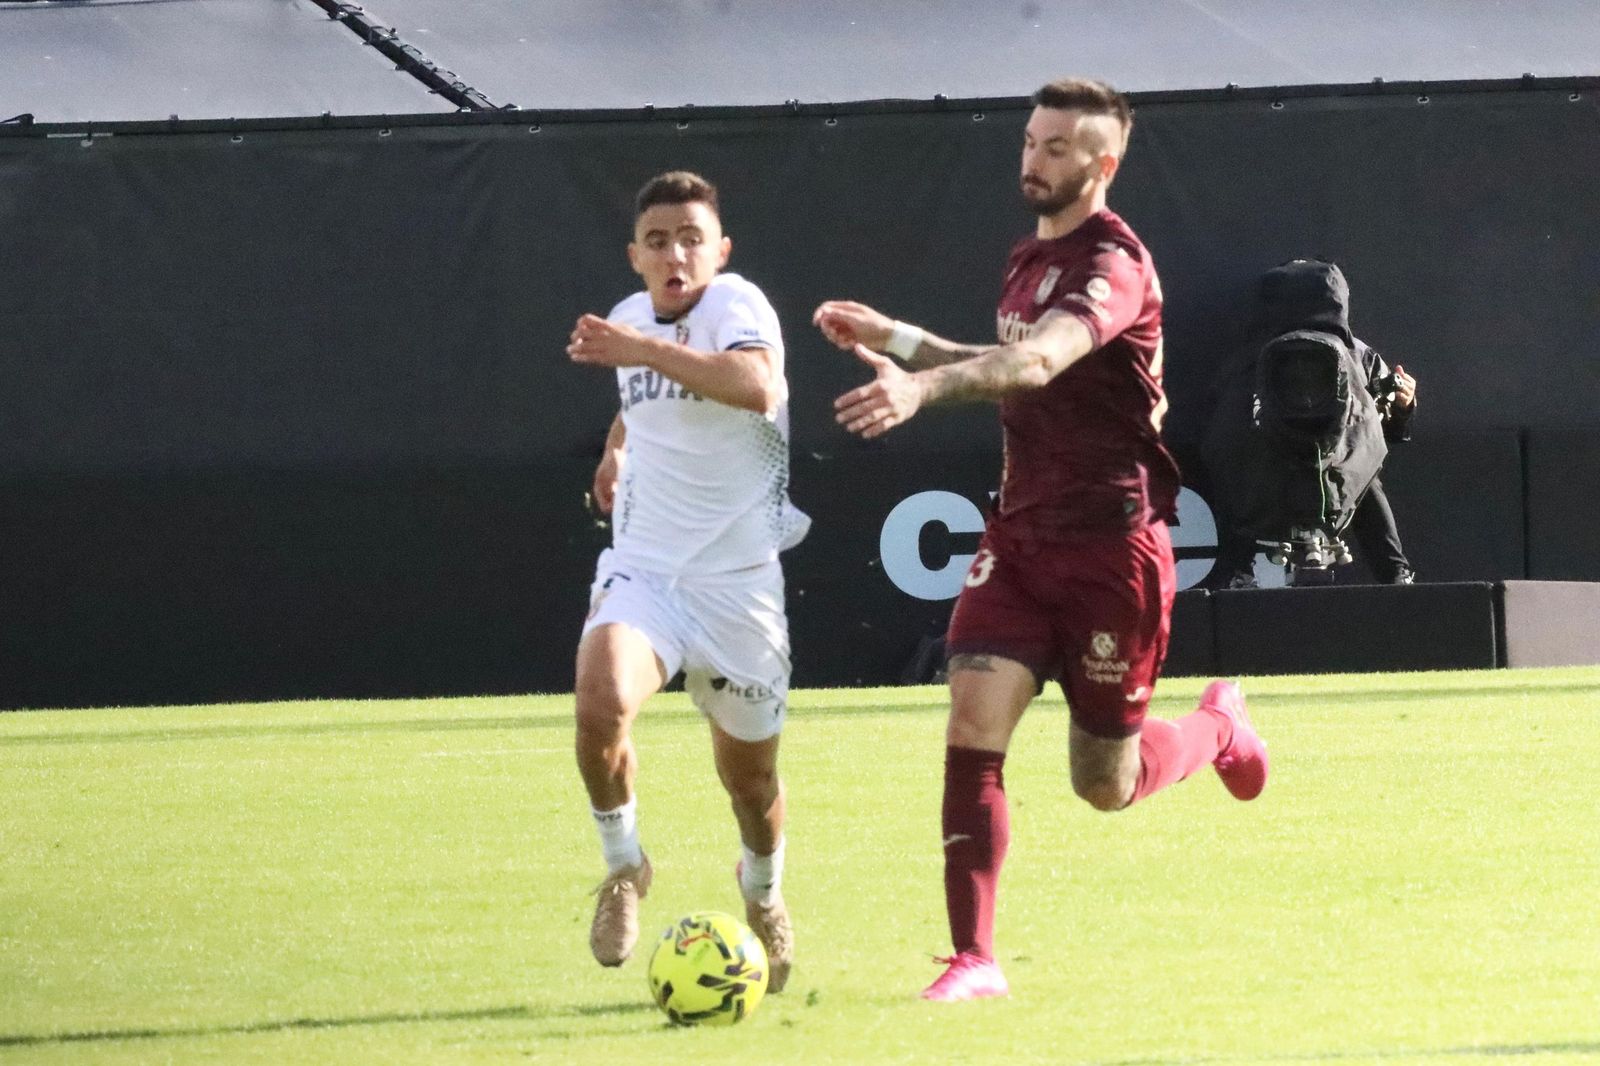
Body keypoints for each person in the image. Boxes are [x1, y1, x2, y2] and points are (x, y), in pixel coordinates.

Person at [813, 78, 1268, 1002]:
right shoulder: (1027, 256)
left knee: (1105, 783)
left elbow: (1039, 358)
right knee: (971, 729)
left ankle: (1219, 724)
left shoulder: (1115, 264)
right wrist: (897, 341)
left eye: (1059, 147)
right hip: (1018, 541)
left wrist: (918, 392)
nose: (1035, 158)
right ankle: (974, 959)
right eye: (1030, 140)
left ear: (1103, 165)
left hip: (1112, 552)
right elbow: (1007, 372)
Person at [567, 170, 809, 992]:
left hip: (739, 588)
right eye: (660, 240)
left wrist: (636, 350)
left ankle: (763, 891)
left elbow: (754, 386)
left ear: (721, 250)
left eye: (693, 238)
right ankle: (624, 866)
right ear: (635, 255)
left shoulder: (736, 305)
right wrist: (616, 446)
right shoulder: (632, 321)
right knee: (600, 699)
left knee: (751, 785)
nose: (677, 253)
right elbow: (644, 393)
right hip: (649, 573)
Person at [1204, 259, 1418, 588]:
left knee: (1236, 475)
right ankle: (1397, 579)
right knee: (1367, 481)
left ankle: (1239, 574)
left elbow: (1224, 423)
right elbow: (1383, 430)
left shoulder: (1249, 357)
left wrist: (1403, 405)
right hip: (1331, 475)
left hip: (1272, 477)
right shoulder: (1358, 353)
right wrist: (1403, 407)